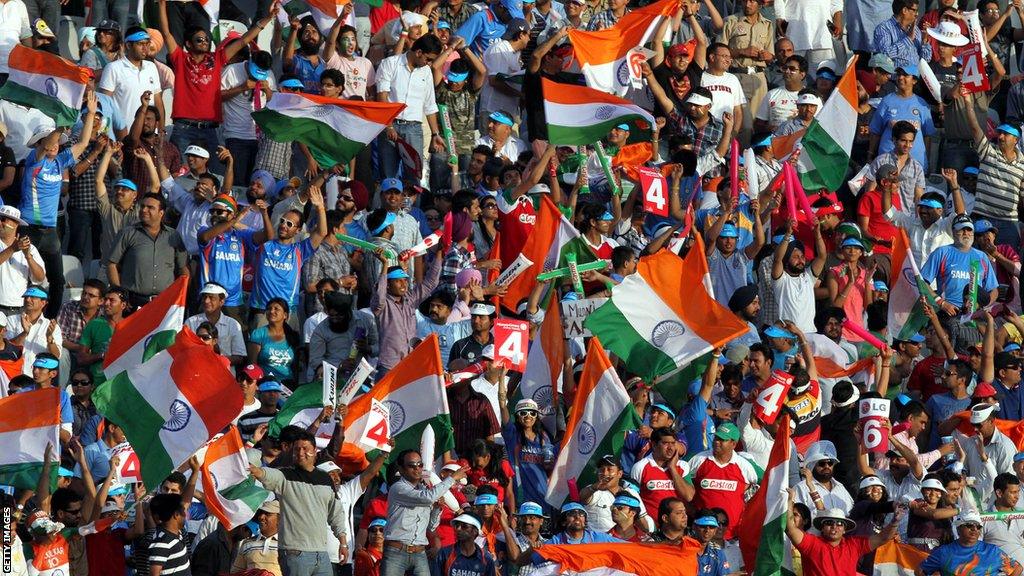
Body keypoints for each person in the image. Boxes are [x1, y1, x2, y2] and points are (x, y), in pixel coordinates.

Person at [250, 429, 349, 576]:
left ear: (315, 451)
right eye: (297, 449)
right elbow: (266, 474)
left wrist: (343, 542)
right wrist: (257, 471)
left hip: (321, 553)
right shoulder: (284, 475)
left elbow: (336, 512)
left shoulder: (326, 479)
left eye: (305, 449)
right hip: (294, 553)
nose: (301, 452)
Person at [380, 449, 468, 576]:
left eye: (420, 464)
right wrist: (452, 478)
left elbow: (431, 526)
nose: (417, 469)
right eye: (411, 465)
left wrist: (437, 509)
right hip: (396, 551)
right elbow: (427, 497)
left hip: (419, 551)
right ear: (401, 468)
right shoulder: (398, 488)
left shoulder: (424, 490)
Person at [786, 490, 901, 576]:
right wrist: (790, 501)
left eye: (840, 524)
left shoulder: (854, 545)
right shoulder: (811, 543)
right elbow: (791, 528)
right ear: (822, 527)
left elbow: (883, 538)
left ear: (845, 529)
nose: (834, 526)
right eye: (829, 522)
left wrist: (895, 521)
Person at [106, 192, 188, 308]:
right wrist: (119, 295)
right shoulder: (128, 233)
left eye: (150, 207)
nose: (144, 210)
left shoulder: (173, 236)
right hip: (133, 301)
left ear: (161, 213)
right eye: (142, 206)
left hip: (165, 301)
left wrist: (181, 295)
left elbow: (183, 268)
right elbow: (111, 264)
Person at [917, 510, 1023, 576]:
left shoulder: (992, 551)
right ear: (958, 529)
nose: (974, 529)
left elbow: (1017, 568)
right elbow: (920, 570)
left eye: (978, 527)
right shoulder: (944, 552)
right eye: (969, 525)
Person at [433, 513, 500, 576]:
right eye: (457, 526)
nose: (458, 529)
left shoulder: (487, 559)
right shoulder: (444, 553)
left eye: (464, 526)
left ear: (475, 532)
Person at [230, 500, 281, 576]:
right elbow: (235, 573)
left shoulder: (289, 544)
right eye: (260, 514)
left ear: (280, 519)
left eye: (267, 514)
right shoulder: (247, 543)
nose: (261, 517)